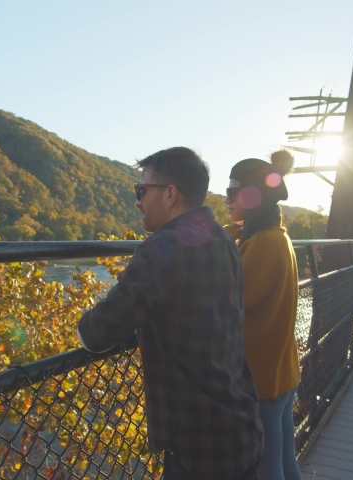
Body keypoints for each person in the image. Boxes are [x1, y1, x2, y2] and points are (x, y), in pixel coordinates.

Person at [76, 146, 263, 480]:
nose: (138, 201)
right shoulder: (222, 239)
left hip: (197, 447)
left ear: (171, 193)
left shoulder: (162, 248)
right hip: (241, 426)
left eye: (141, 190)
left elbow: (96, 333)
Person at [225, 150, 302, 480]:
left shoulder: (262, 245)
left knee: (268, 470)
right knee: (286, 463)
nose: (225, 200)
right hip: (282, 374)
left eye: (231, 193)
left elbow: (230, 299)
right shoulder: (277, 237)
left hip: (262, 380)